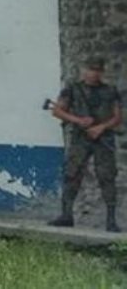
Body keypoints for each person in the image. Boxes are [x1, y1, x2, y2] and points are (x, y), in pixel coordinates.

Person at [49, 60, 122, 232]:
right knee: (71, 173)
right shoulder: (73, 89)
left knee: (107, 176)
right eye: (91, 69)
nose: (94, 73)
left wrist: (100, 127)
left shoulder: (110, 91)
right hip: (80, 138)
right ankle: (66, 215)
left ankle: (111, 220)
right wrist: (78, 121)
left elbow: (117, 117)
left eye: (98, 70)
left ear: (102, 72)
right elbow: (57, 111)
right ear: (83, 70)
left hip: (104, 139)